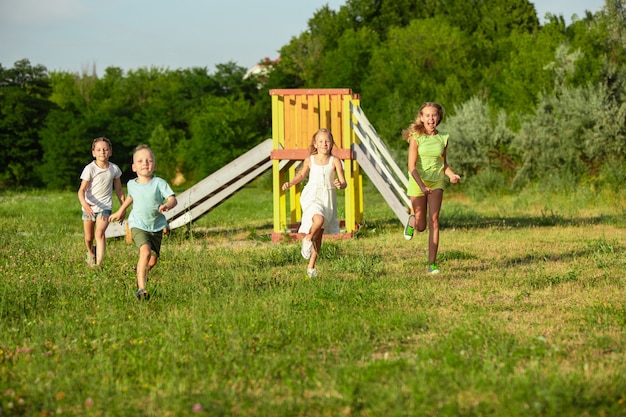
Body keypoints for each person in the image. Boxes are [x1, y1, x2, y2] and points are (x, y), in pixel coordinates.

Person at [110, 145, 177, 300]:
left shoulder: (159, 183)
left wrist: (167, 205)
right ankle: (141, 289)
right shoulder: (132, 184)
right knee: (145, 252)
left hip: (157, 226)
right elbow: (130, 197)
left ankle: (139, 271)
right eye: (140, 161)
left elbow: (173, 198)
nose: (145, 163)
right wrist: (121, 211)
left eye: (149, 160)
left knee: (152, 260)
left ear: (154, 165)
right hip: (138, 224)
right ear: (134, 167)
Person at [402, 102, 461, 274]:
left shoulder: (443, 138)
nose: (431, 118)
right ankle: (412, 221)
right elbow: (411, 166)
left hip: (436, 182)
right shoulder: (415, 137)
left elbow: (443, 164)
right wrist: (421, 186)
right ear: (421, 118)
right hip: (418, 181)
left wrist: (451, 175)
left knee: (434, 220)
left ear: (439, 118)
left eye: (434, 115)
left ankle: (432, 264)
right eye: (427, 115)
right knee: (421, 226)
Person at [282, 128, 347, 278]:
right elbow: (301, 174)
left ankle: (311, 267)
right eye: (321, 141)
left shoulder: (335, 161)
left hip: (327, 198)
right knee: (318, 219)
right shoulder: (310, 160)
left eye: (327, 141)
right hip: (312, 196)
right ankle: (307, 238)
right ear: (315, 144)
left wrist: (340, 184)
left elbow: (344, 182)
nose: (324, 144)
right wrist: (291, 183)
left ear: (331, 144)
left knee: (320, 235)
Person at [78, 137, 125, 267]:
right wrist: (85, 205)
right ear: (93, 153)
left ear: (110, 152)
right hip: (90, 206)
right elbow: (81, 191)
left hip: (105, 207)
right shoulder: (90, 169)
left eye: (105, 149)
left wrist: (123, 208)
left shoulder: (114, 169)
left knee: (99, 233)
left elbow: (119, 190)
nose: (102, 152)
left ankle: (98, 265)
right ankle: (90, 252)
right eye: (98, 150)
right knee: (88, 237)